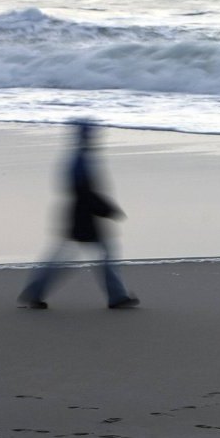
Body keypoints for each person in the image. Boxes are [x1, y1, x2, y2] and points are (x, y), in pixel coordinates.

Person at [18, 121, 139, 310]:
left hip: (77, 212)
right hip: (84, 215)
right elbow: (85, 192)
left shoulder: (76, 158)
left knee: (64, 257)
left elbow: (79, 191)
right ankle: (117, 297)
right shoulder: (82, 159)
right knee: (101, 254)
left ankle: (34, 292)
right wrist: (106, 209)